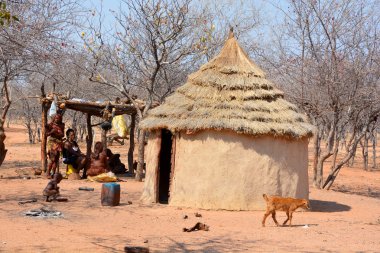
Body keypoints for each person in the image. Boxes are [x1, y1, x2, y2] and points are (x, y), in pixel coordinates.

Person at [46, 113, 65, 179]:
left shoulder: (62, 125)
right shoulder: (51, 125)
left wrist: (57, 132)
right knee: (52, 158)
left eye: (58, 118)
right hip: (52, 142)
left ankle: (53, 173)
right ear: (54, 118)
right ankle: (48, 173)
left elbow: (63, 135)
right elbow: (47, 134)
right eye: (56, 118)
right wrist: (52, 132)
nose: (57, 119)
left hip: (59, 143)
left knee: (56, 159)